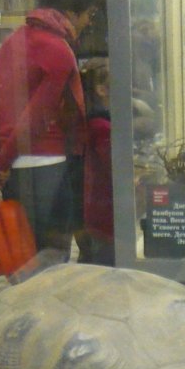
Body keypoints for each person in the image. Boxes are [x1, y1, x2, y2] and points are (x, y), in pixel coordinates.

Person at [0, 0, 105, 262]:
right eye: (89, 14)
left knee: (23, 255)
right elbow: (36, 118)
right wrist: (1, 162)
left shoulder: (13, 41)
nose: (88, 22)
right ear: (71, 13)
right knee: (52, 257)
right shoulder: (59, 50)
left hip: (15, 167)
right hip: (49, 165)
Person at [78, 58, 115, 266]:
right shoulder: (101, 127)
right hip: (105, 214)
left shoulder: (98, 122)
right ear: (102, 89)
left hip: (98, 213)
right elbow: (113, 167)